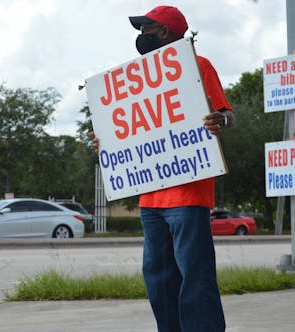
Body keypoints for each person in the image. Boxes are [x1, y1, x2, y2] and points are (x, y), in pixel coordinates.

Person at [90, 5, 233, 332]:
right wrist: (107, 144)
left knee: (194, 276)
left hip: (188, 193)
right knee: (158, 277)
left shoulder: (198, 66)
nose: (141, 37)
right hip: (150, 199)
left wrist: (219, 120)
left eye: (146, 29)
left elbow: (227, 113)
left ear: (165, 32)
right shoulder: (135, 80)